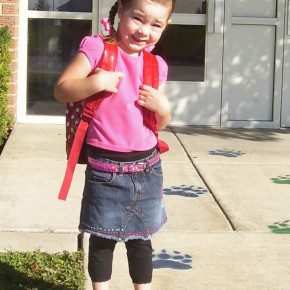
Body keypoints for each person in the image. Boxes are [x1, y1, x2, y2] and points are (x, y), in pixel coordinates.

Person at [54, 0, 175, 289]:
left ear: (165, 27)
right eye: (137, 18)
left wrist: (164, 109)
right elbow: (62, 89)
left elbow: (157, 125)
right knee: (102, 238)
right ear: (120, 11)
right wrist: (96, 83)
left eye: (156, 25)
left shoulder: (156, 65)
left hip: (147, 167)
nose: (144, 30)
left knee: (141, 240)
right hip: (105, 168)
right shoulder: (98, 48)